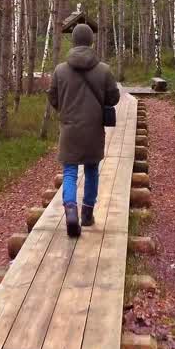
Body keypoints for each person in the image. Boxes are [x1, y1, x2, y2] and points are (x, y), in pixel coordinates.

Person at [48, 23, 120, 237]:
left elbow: (52, 96)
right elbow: (114, 97)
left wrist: (65, 109)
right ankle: (87, 214)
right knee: (91, 171)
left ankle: (71, 212)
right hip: (93, 130)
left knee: (70, 172)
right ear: (90, 41)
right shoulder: (103, 70)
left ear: (74, 41)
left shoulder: (60, 70)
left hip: (69, 129)